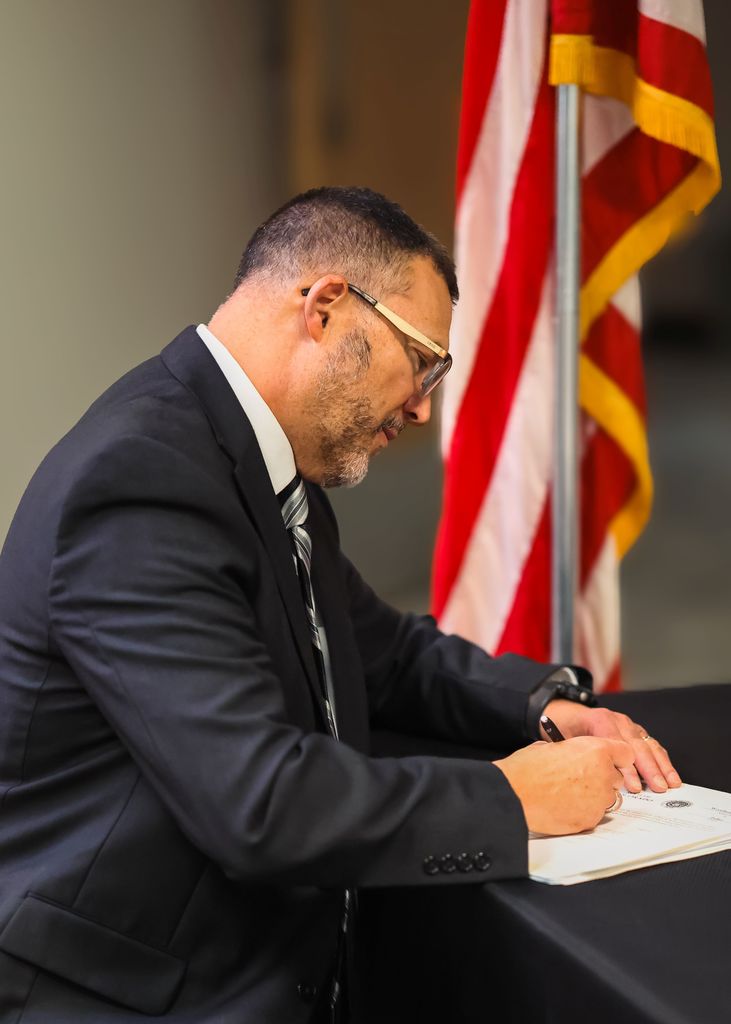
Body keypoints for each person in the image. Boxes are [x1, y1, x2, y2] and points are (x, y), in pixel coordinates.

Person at [0, 186, 680, 1023]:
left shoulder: (255, 459)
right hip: (134, 991)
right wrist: (512, 798)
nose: (424, 403)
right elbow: (259, 802)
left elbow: (380, 651)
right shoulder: (141, 483)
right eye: (422, 359)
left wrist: (540, 702)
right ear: (324, 306)